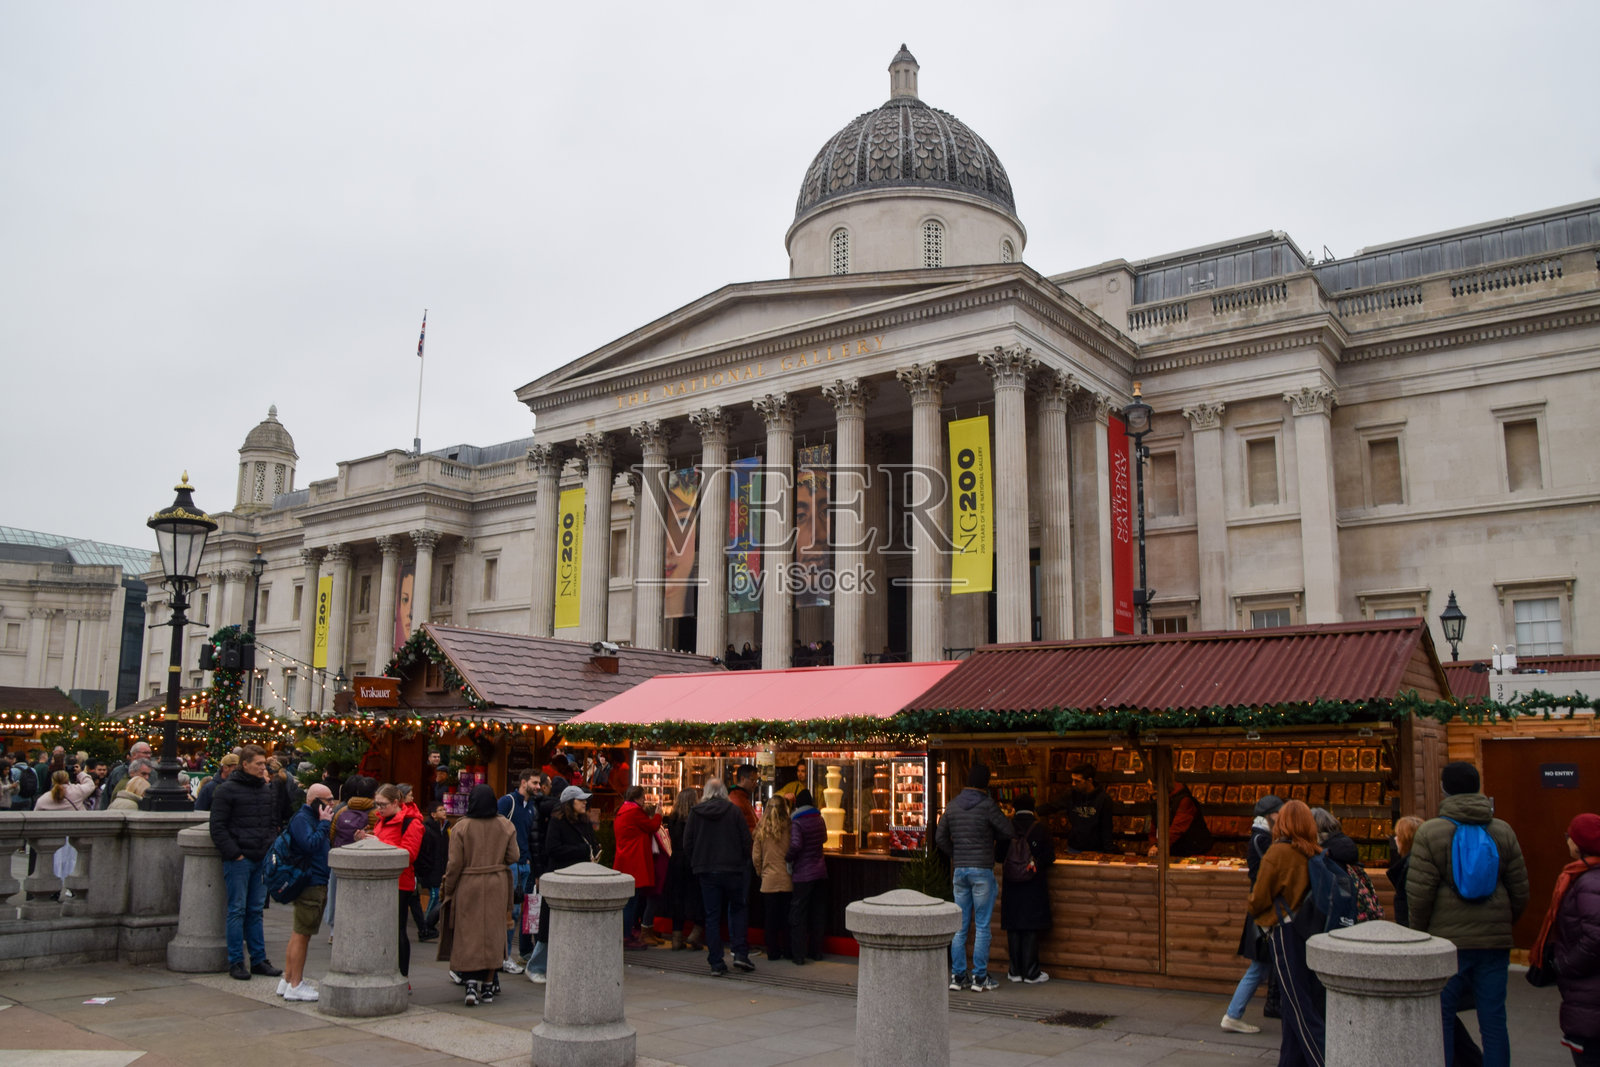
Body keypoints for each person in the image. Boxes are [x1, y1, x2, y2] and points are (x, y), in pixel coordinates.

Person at [1408, 762, 1530, 1067]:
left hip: (1446, 943)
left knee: (1442, 1019)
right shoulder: (1502, 830)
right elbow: (1520, 890)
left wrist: (1421, 935)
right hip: (1494, 943)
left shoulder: (1430, 832)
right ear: (1478, 786)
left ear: (1444, 788)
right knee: (1493, 1021)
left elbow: (1419, 893)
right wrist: (1503, 923)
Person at [1246, 798, 1324, 1066]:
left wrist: (1260, 915)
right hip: (1311, 931)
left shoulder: (1278, 853)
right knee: (1295, 1005)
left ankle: (1323, 1059)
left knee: (1299, 1006)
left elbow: (1258, 897)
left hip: (1285, 931)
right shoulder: (1314, 850)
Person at [936, 762, 1013, 992]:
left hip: (960, 871)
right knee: (982, 925)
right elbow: (1008, 830)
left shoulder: (952, 806)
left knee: (959, 927)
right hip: (982, 870)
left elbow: (940, 838)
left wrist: (956, 854)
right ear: (985, 783)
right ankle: (980, 977)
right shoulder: (988, 805)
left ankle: (958, 976)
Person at [439, 784, 519, 1007]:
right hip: (496, 884)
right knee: (493, 932)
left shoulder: (461, 827)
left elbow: (454, 864)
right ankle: (489, 985)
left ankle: (470, 984)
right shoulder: (505, 825)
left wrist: (449, 889)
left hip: (469, 883)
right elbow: (514, 856)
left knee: (468, 933)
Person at [208, 744, 282, 982]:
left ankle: (259, 959)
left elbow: (273, 821)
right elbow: (217, 826)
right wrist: (235, 853)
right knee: (237, 910)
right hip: (239, 859)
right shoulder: (227, 789)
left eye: (264, 764)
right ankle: (237, 961)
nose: (263, 768)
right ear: (245, 764)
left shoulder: (266, 789)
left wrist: (269, 845)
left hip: (260, 857)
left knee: (255, 911)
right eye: (259, 764)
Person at [1531, 812, 1600, 1066]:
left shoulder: (1589, 881)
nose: (1567, 841)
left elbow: (1596, 938)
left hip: (1590, 996)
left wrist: (1565, 965)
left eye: (1569, 836)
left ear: (1580, 843)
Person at [1222, 794, 1281, 1033]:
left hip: (1262, 907)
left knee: (1263, 966)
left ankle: (1234, 1014)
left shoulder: (1263, 836)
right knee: (1260, 966)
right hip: (1264, 909)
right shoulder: (1262, 838)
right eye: (1279, 812)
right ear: (1270, 815)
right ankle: (1233, 1015)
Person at [684, 778, 754, 976]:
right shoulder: (734, 811)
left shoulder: (696, 813)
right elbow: (746, 840)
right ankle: (740, 954)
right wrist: (742, 861)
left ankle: (716, 961)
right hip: (733, 870)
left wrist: (698, 861)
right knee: (737, 910)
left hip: (706, 871)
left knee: (712, 916)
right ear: (723, 791)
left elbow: (687, 843)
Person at [278, 783, 332, 1002]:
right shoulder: (304, 819)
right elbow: (310, 844)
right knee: (302, 935)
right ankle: (295, 984)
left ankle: (288, 978)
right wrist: (324, 825)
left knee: (299, 933)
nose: (331, 804)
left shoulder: (305, 818)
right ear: (315, 801)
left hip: (311, 879)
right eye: (327, 800)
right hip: (311, 881)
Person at [372, 783, 425, 985]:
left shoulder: (411, 823)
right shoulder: (382, 820)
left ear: (396, 803)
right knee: (381, 929)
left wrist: (378, 845)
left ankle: (403, 977)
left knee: (398, 930)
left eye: (383, 804)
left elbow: (409, 854)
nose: (379, 808)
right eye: (376, 804)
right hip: (379, 882)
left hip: (400, 883)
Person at [1000, 793, 1054, 984]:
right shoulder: (1041, 828)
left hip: (1011, 883)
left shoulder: (1007, 827)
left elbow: (999, 855)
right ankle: (1031, 972)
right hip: (1033, 883)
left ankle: (1014, 971)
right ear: (1033, 807)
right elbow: (1050, 857)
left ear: (1014, 807)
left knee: (1013, 926)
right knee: (1030, 926)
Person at [496, 770, 538, 971]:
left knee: (516, 912)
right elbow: (495, 828)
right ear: (524, 782)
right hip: (509, 863)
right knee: (509, 911)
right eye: (535, 782)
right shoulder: (507, 802)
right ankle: (503, 956)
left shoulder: (531, 806)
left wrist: (528, 859)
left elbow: (529, 834)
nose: (538, 786)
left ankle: (505, 955)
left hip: (524, 864)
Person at [612, 785, 662, 949]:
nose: (644, 800)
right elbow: (652, 826)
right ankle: (626, 935)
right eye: (643, 797)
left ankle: (627, 932)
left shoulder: (622, 811)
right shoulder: (634, 812)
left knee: (630, 900)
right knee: (631, 901)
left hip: (625, 859)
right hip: (635, 860)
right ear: (637, 798)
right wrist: (658, 815)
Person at [786, 788, 827, 965]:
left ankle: (799, 954)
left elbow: (795, 845)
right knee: (817, 914)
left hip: (803, 874)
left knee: (799, 914)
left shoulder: (797, 821)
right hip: (820, 872)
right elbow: (824, 838)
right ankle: (816, 951)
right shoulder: (819, 818)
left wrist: (788, 857)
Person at [751, 793, 792, 961]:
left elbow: (756, 856)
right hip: (787, 879)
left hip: (768, 880)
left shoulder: (761, 829)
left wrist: (761, 872)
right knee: (787, 919)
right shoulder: (790, 827)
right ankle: (788, 950)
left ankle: (773, 952)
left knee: (770, 920)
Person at [664, 787, 704, 952]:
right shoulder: (697, 819)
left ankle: (676, 937)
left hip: (675, 860)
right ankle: (695, 933)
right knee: (698, 897)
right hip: (693, 860)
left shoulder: (672, 819)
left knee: (677, 898)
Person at [1150, 780, 1213, 857]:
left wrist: (1158, 845)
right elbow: (1154, 825)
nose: (1154, 798)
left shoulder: (1184, 800)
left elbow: (1178, 828)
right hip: (1173, 849)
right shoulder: (1158, 800)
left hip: (1194, 850)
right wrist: (1154, 843)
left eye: (1155, 794)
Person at [1062, 764, 1114, 854]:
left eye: (1077, 781)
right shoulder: (1071, 795)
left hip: (1096, 849)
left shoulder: (1103, 799)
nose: (1073, 784)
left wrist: (1108, 853)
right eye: (1072, 780)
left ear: (1089, 780)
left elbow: (1107, 827)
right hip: (1074, 847)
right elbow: (1052, 806)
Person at [415, 803, 449, 941]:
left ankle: (428, 925)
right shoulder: (428, 830)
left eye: (444, 809)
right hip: (432, 870)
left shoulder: (445, 828)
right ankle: (425, 926)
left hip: (441, 869)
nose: (444, 811)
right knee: (435, 896)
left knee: (438, 898)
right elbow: (425, 853)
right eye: (440, 810)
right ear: (433, 814)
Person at [1386, 815, 1426, 928]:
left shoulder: (1413, 867)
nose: (1395, 839)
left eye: (1398, 836)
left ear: (1406, 839)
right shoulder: (1410, 864)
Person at [101, 740, 151, 807]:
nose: (149, 755)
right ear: (134, 754)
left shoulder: (153, 772)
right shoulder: (118, 772)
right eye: (145, 753)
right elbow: (106, 797)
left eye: (150, 753)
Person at [728, 764, 760, 832]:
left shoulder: (743, 796)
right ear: (742, 779)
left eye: (756, 781)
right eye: (752, 780)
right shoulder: (736, 799)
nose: (755, 784)